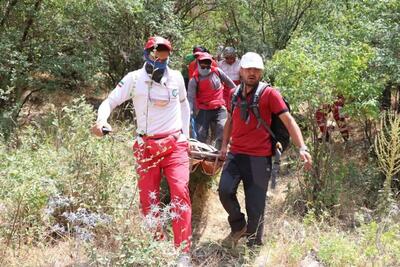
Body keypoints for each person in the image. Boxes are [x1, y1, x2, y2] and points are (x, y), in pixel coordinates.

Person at [91, 36, 192, 262]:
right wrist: (101, 121)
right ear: (147, 54)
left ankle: (182, 253)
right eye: (155, 53)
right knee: (148, 200)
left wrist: (185, 136)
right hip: (146, 147)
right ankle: (155, 247)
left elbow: (185, 105)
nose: (159, 58)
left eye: (164, 54)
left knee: (180, 195)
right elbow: (109, 101)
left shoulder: (176, 77)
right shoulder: (134, 79)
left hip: (175, 145)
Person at [218, 52, 312, 247]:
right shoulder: (233, 93)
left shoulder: (270, 94)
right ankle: (238, 226)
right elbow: (229, 120)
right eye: (248, 69)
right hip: (236, 154)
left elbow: (288, 120)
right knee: (225, 191)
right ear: (241, 70)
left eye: (256, 70)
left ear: (261, 73)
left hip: (259, 158)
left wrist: (302, 147)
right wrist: (224, 146)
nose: (252, 73)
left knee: (256, 206)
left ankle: (254, 245)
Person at [187, 52, 236, 150]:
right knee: (201, 135)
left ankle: (219, 153)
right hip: (204, 109)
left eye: (207, 63)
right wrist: (190, 112)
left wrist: (238, 95)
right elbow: (190, 98)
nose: (205, 66)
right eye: (203, 63)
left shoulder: (217, 72)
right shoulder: (194, 80)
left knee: (223, 129)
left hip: (219, 108)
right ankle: (202, 158)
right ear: (198, 63)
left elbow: (231, 84)